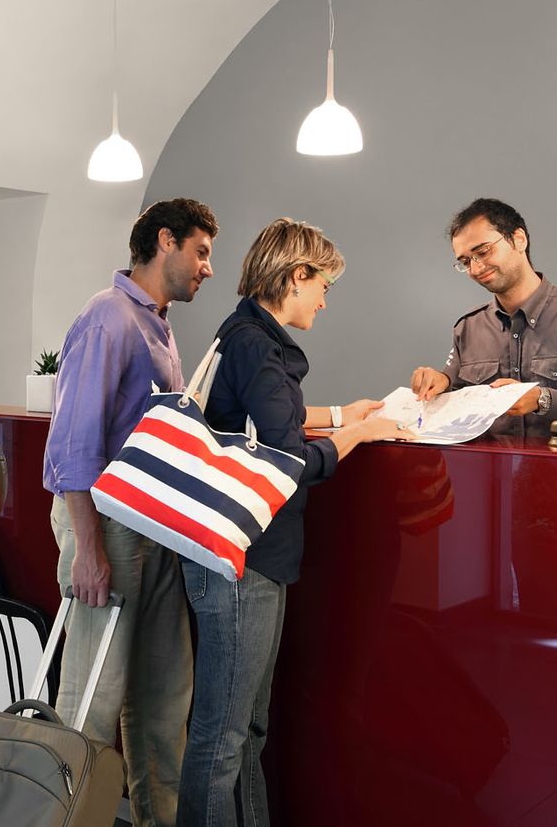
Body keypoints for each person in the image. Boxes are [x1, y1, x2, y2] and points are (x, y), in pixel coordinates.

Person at [177, 217, 416, 827]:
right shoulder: (257, 342)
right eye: (324, 286)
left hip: (254, 557)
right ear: (295, 275)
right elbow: (288, 462)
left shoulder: (248, 335)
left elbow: (262, 419)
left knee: (248, 727)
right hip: (241, 560)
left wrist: (341, 412)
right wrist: (360, 433)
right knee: (223, 734)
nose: (325, 300)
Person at [44, 197, 218, 827]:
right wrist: (87, 549)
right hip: (107, 527)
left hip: (154, 527)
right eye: (200, 252)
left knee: (163, 697)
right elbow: (73, 443)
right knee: (91, 698)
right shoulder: (107, 317)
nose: (207, 268)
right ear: (164, 241)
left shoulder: (160, 325)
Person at [410, 197, 557, 439]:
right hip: (489, 476)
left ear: (519, 239)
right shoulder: (468, 328)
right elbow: (456, 402)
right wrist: (439, 384)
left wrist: (543, 400)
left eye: (483, 252)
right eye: (465, 262)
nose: (476, 268)